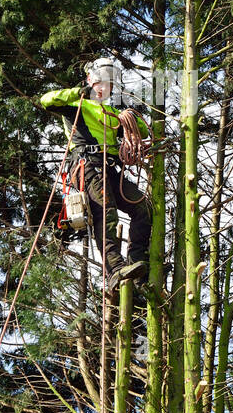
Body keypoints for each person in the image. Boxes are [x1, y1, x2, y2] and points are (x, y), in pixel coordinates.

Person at [40, 59, 151, 293]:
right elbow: (46, 100)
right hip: (87, 166)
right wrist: (77, 92)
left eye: (108, 84)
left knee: (142, 208)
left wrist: (129, 117)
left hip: (111, 169)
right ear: (91, 81)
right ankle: (115, 270)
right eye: (100, 82)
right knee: (106, 212)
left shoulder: (113, 113)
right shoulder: (75, 103)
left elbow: (140, 130)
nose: (104, 87)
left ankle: (137, 267)